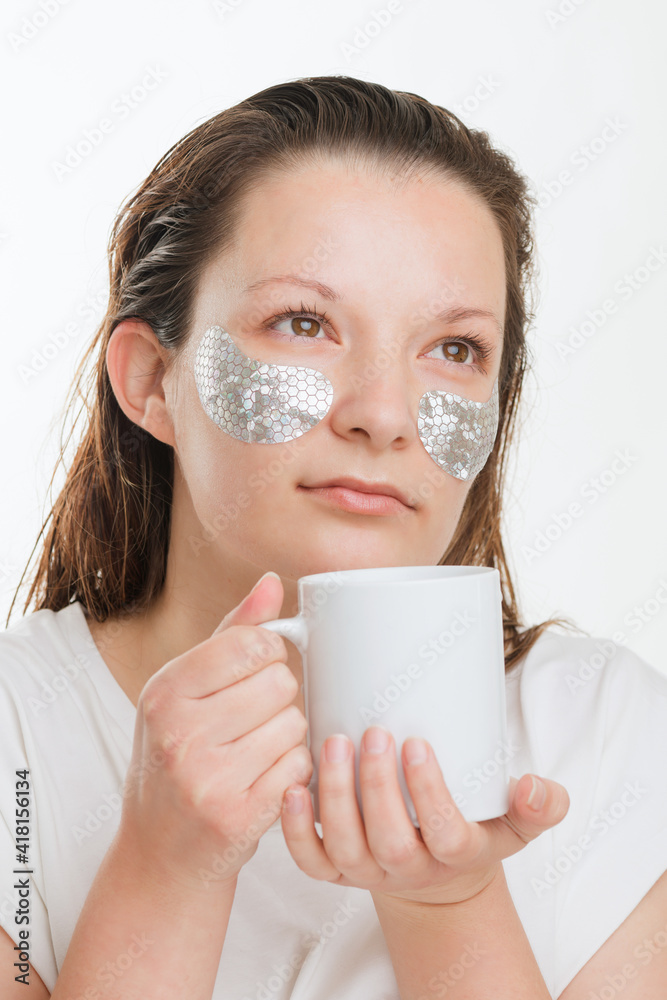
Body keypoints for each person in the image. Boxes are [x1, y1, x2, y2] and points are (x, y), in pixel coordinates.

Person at [1, 74, 665, 999]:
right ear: (153, 378)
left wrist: (451, 905)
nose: (384, 415)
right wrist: (166, 872)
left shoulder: (600, 730)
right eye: (303, 324)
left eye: (455, 348)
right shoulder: (17, 738)